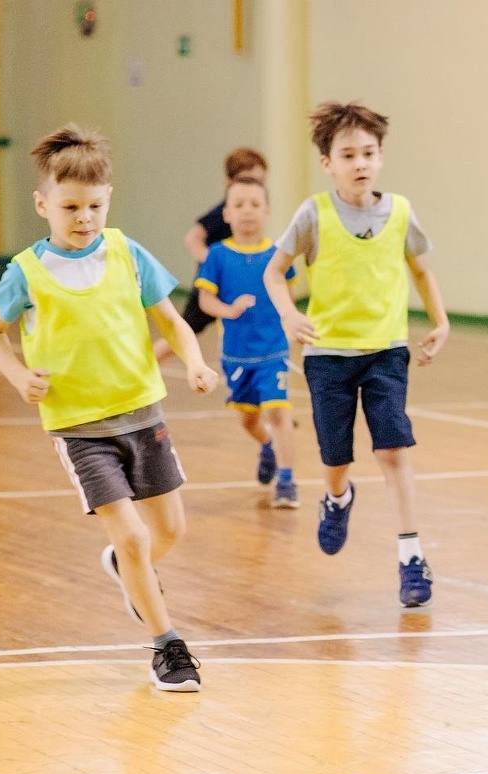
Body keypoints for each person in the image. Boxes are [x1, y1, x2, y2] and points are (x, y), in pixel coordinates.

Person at [0, 124, 219, 691]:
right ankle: (168, 647)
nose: (84, 217)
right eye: (70, 207)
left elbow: (172, 320)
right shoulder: (27, 272)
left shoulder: (126, 253)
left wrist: (195, 362)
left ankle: (124, 569)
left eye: (94, 206)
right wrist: (17, 376)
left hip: (144, 415)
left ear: (108, 201)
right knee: (133, 538)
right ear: (43, 205)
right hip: (80, 427)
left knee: (170, 532)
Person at [264, 101, 450, 607]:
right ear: (328, 162)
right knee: (335, 455)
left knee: (392, 449)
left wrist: (440, 321)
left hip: (386, 351)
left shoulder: (401, 213)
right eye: (348, 154)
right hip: (328, 357)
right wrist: (288, 315)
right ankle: (338, 496)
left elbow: (421, 271)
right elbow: (273, 273)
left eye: (368, 152)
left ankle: (411, 557)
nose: (360, 162)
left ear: (381, 156)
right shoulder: (313, 214)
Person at [194, 175, 299, 508]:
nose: (247, 211)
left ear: (267, 211)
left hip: (274, 352)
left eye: (255, 204)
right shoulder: (217, 256)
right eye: (239, 205)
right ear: (226, 214)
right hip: (237, 356)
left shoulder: (277, 255)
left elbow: (288, 296)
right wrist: (228, 309)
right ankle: (266, 445)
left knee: (278, 410)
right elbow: (204, 301)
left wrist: (292, 323)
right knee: (248, 419)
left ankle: (286, 481)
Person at [156, 147, 267, 362]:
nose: (252, 188)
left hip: (230, 287)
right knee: (184, 331)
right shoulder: (222, 213)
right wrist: (214, 267)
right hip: (210, 287)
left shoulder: (248, 213)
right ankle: (147, 364)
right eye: (247, 180)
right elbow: (192, 238)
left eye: (259, 182)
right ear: (229, 183)